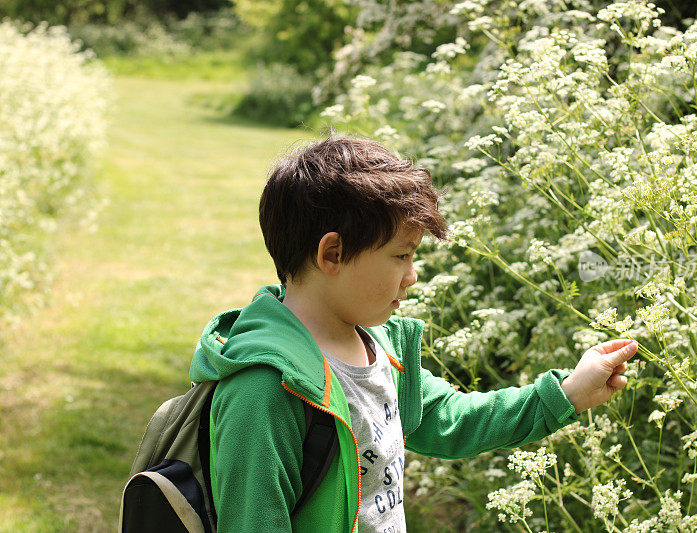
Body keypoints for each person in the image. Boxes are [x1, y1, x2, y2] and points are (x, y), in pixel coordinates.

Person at [188, 135, 638, 532]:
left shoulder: (376, 344)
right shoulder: (266, 390)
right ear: (333, 253)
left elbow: (451, 418)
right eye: (401, 255)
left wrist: (567, 394)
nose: (413, 276)